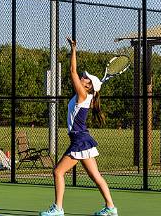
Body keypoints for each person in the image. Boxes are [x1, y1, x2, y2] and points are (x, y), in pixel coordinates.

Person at [39, 38, 117, 216]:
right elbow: (76, 73)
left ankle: (58, 209)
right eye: (83, 76)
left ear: (88, 86)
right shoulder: (86, 95)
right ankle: (111, 207)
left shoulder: (83, 95)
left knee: (58, 171)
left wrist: (73, 49)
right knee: (95, 176)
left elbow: (72, 70)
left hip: (80, 140)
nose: (82, 77)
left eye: (86, 78)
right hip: (82, 139)